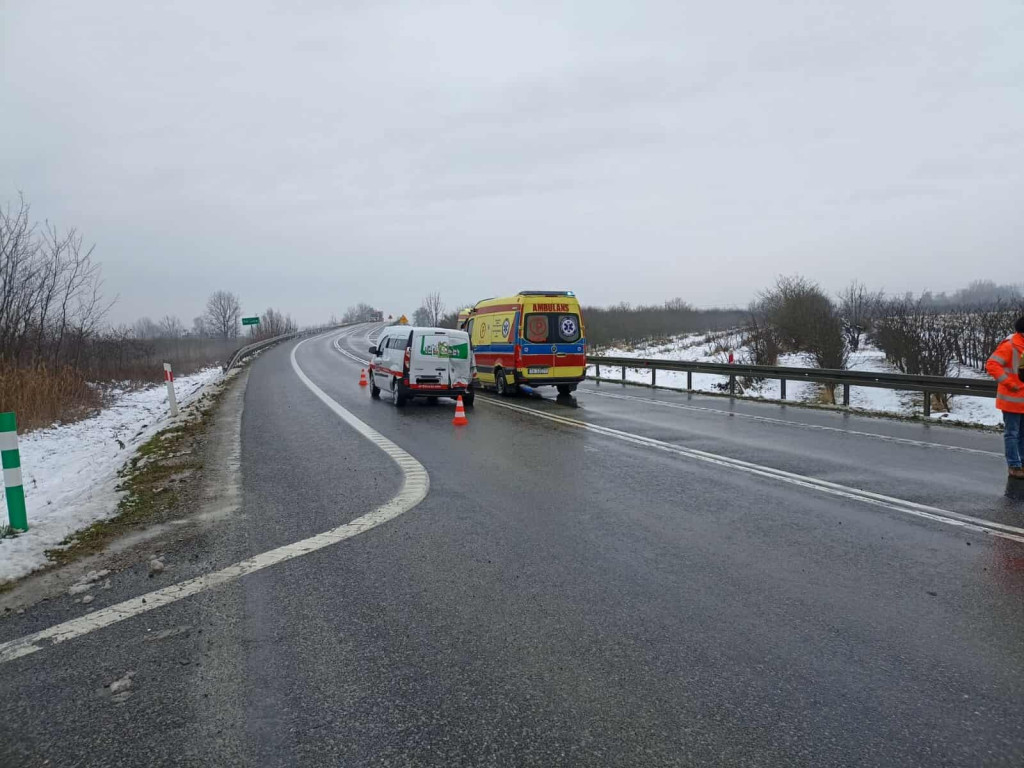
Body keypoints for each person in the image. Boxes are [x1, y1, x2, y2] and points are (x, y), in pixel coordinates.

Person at [986, 316, 1024, 479]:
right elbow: (992, 364)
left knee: (1022, 434)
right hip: (1012, 399)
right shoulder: (1010, 346)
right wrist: (1009, 383)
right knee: (1012, 433)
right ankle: (1014, 466)